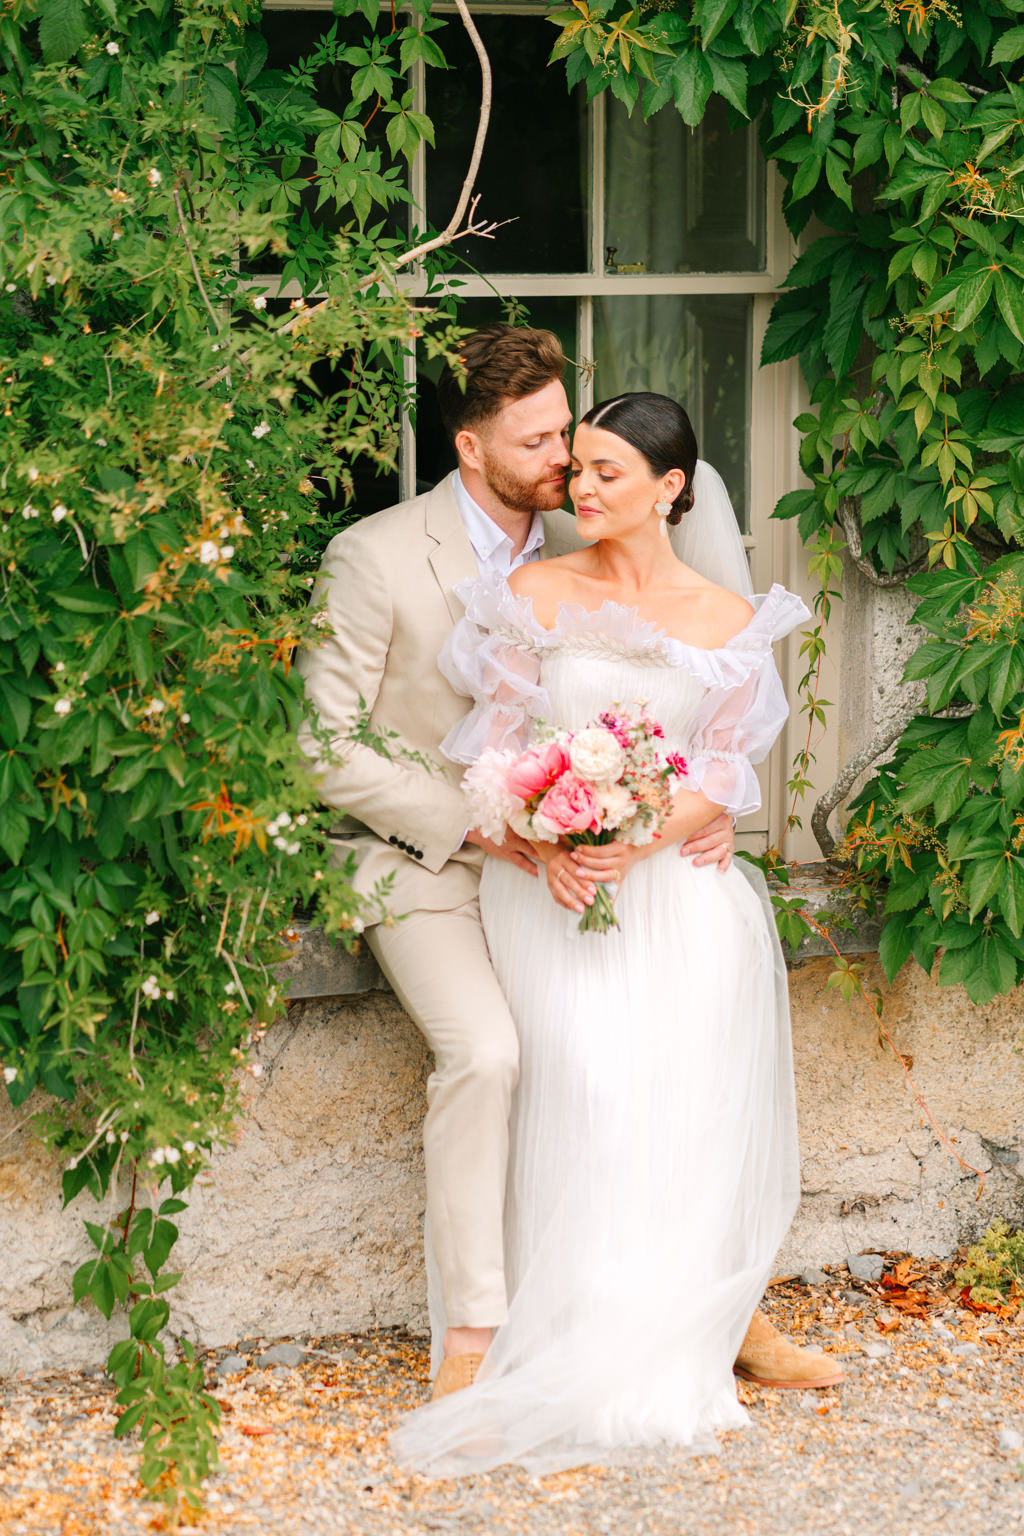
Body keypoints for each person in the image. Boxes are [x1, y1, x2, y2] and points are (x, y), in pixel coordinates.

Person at [389, 391, 844, 1478]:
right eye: (575, 469)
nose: (577, 489)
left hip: (673, 886)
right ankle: (561, 1334)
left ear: (671, 489)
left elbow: (727, 771)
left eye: (605, 474)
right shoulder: (527, 597)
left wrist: (645, 835)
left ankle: (705, 1321)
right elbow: (490, 752)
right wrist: (545, 835)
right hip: (548, 886)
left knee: (684, 1095)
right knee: (588, 1079)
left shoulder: (732, 621)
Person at [296, 330, 737, 1404]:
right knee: (489, 1057)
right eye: (535, 441)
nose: (561, 458)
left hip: (571, 867)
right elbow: (320, 746)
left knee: (637, 1046)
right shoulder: (374, 554)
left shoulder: (596, 522)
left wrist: (698, 807)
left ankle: (711, 1310)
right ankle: (475, 1339)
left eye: (567, 434)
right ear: (469, 444)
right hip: (429, 861)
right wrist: (487, 826)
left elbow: (685, 684)